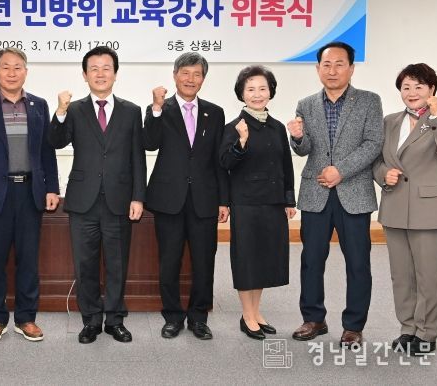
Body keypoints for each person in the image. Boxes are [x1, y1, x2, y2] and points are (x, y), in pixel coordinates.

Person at [287, 41, 383, 347]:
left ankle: (353, 325)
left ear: (351, 69)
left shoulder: (369, 101)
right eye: (326, 65)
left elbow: (373, 143)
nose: (332, 70)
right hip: (315, 193)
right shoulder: (306, 104)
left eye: (339, 64)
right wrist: (297, 138)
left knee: (358, 262)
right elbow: (304, 149)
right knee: (311, 260)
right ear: (318, 69)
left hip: (354, 192)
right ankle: (313, 319)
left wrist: (340, 170)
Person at [48, 46, 146, 344]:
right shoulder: (74, 109)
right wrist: (60, 111)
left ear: (115, 74)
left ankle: (115, 319)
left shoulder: (131, 111)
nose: (100, 74)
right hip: (83, 201)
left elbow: (137, 157)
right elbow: (56, 141)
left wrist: (138, 197)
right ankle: (90, 320)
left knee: (117, 264)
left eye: (106, 68)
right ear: (85, 75)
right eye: (94, 69)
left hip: (119, 200)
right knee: (85, 265)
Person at [0, 48, 60, 343]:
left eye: (17, 67)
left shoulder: (38, 105)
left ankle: (26, 318)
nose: (11, 72)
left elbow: (46, 150)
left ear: (25, 72)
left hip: (30, 192)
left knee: (28, 260)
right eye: (5, 67)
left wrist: (52, 187)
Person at [143, 52, 228, 340]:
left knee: (204, 263)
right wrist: (155, 108)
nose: (191, 79)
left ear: (203, 79)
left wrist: (223, 200)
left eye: (197, 74)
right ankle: (172, 316)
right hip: (169, 199)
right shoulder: (160, 108)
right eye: (185, 73)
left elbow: (218, 160)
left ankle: (199, 318)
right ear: (175, 75)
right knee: (170, 261)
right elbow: (149, 142)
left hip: (204, 199)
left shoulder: (215, 113)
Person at [373, 63, 437, 355]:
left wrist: (436, 115)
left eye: (419, 86)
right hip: (395, 207)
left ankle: (427, 333)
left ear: (432, 89)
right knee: (401, 276)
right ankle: (407, 329)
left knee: (427, 277)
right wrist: (384, 175)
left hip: (429, 211)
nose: (411, 92)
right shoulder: (389, 122)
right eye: (406, 87)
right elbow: (377, 160)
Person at [220, 66, 296, 341]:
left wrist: (289, 199)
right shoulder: (234, 127)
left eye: (262, 88)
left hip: (273, 202)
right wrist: (241, 142)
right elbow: (224, 164)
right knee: (247, 259)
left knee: (265, 258)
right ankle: (246, 315)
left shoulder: (277, 127)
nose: (257, 94)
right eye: (250, 89)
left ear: (270, 92)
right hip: (246, 203)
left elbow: (286, 164)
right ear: (241, 94)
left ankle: (256, 311)